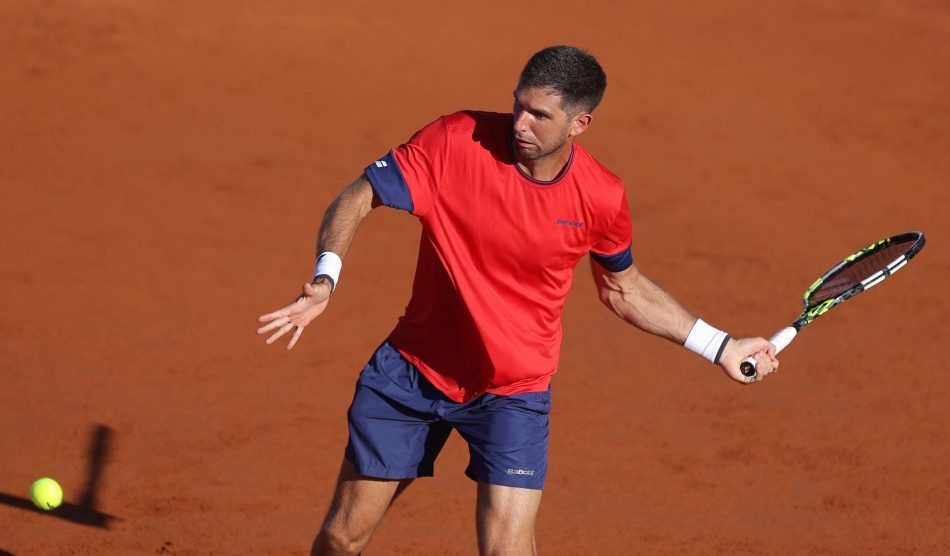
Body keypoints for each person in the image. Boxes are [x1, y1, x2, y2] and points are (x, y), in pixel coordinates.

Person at [257, 45, 779, 556]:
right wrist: (326, 277)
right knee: (342, 538)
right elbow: (360, 194)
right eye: (518, 105)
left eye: (539, 115)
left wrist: (721, 346)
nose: (520, 124)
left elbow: (623, 288)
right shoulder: (456, 140)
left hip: (514, 392)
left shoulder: (601, 195)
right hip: (414, 371)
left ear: (579, 124)